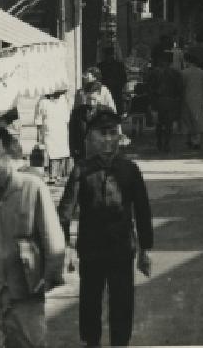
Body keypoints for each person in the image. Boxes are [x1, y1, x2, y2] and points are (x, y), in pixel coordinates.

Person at [58, 108, 153, 348]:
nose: (108, 139)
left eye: (113, 133)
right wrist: (65, 246)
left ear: (120, 136)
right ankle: (92, 342)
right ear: (92, 137)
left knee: (122, 301)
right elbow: (65, 211)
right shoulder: (81, 170)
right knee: (90, 301)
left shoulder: (130, 170)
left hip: (122, 248)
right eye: (103, 134)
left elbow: (142, 212)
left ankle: (120, 343)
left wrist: (145, 250)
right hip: (91, 249)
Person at [0, 125, 65, 348]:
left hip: (25, 296)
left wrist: (44, 282)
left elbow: (54, 243)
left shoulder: (33, 188)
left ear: (9, 153)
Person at [34, 89, 71, 183]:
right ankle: (52, 176)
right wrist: (39, 135)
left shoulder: (63, 99)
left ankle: (60, 175)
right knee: (52, 153)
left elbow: (67, 117)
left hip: (62, 130)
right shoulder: (43, 101)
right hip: (49, 132)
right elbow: (38, 120)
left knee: (63, 153)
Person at [151, 50, 184, 152]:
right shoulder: (175, 73)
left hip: (158, 100)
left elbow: (150, 87)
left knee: (159, 123)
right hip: (171, 100)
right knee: (168, 123)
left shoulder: (154, 72)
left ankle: (160, 142)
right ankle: (166, 143)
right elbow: (180, 88)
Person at [181, 51, 203, 149]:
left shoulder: (184, 73)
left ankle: (189, 139)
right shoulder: (202, 72)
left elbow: (182, 86)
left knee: (187, 119)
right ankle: (197, 141)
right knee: (197, 119)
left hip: (187, 98)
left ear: (187, 61)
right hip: (199, 98)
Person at [99, 46, 128, 116]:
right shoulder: (101, 66)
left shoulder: (119, 65)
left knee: (116, 108)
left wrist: (119, 85)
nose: (110, 57)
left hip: (116, 90)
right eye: (109, 55)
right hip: (106, 90)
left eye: (111, 55)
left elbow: (124, 78)